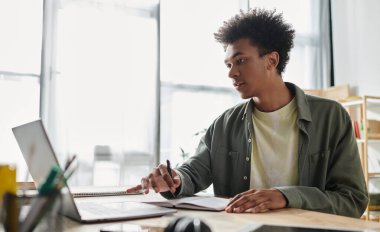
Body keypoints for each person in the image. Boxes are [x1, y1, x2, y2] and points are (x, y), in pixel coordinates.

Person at [127, 8, 368, 218]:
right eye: (229, 65)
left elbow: (352, 200)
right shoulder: (224, 124)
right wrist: (174, 179)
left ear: (271, 60)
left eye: (241, 61)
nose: (231, 73)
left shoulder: (330, 117)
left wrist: (286, 196)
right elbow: (192, 172)